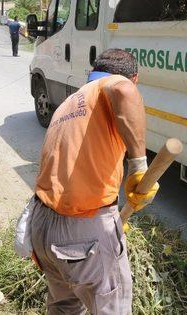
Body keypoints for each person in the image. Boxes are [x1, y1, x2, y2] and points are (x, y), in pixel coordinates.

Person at [30, 48, 158, 314]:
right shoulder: (113, 84)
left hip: (42, 227)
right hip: (81, 231)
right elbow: (124, 91)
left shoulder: (70, 102)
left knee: (64, 306)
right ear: (134, 78)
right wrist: (138, 167)